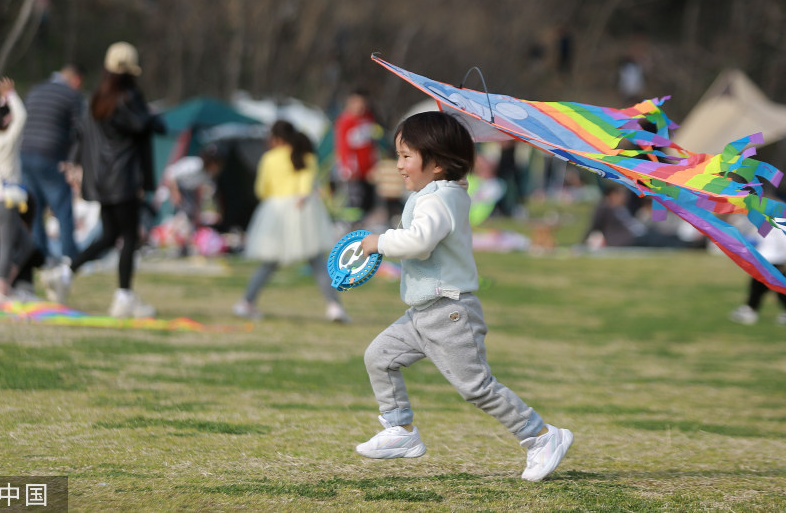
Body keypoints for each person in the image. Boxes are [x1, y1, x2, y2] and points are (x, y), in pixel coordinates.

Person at [355, 111, 572, 482]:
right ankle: (400, 430)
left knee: (476, 387)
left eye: (407, 156)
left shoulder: (438, 200)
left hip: (449, 312)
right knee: (380, 356)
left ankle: (541, 436)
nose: (399, 165)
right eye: (399, 155)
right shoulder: (437, 195)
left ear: (436, 163)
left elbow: (420, 242)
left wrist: (380, 242)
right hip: (423, 313)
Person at [59, 42, 165, 317]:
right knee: (129, 238)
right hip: (124, 179)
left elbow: (83, 136)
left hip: (101, 180)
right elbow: (148, 125)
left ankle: (64, 273)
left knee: (109, 237)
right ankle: (124, 297)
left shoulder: (96, 99)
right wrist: (153, 117)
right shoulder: (128, 98)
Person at [233, 120, 349, 323]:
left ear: (276, 138)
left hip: (275, 211)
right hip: (303, 209)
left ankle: (246, 302)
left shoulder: (269, 158)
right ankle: (334, 307)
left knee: (269, 262)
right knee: (317, 262)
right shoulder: (307, 156)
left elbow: (262, 190)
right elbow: (306, 186)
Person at [20, 64, 85, 264]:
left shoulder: (35, 90)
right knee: (62, 206)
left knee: (35, 207)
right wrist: (73, 161)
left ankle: (41, 254)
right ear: (75, 80)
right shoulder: (71, 96)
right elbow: (81, 130)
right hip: (50, 154)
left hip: (25, 152)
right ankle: (69, 255)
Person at [0, 76, 38, 303]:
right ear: (6, 122)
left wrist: (4, 99)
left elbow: (6, 117)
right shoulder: (7, 140)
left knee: (26, 245)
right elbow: (22, 117)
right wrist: (12, 95)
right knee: (7, 246)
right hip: (6, 201)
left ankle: (3, 284)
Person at [729, 222, 786, 325]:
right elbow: (759, 240)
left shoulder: (781, 223)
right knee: (757, 286)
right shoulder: (763, 222)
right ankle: (750, 309)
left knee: (779, 290)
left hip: (776, 262)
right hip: (763, 261)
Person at [334, 89, 380, 224]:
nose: (360, 106)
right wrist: (347, 167)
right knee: (354, 202)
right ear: (350, 102)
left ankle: (363, 227)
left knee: (368, 202)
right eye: (357, 102)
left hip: (368, 170)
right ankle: (349, 229)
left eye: (363, 103)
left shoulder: (369, 118)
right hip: (353, 171)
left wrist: (374, 165)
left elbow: (372, 145)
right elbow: (342, 146)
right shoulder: (345, 121)